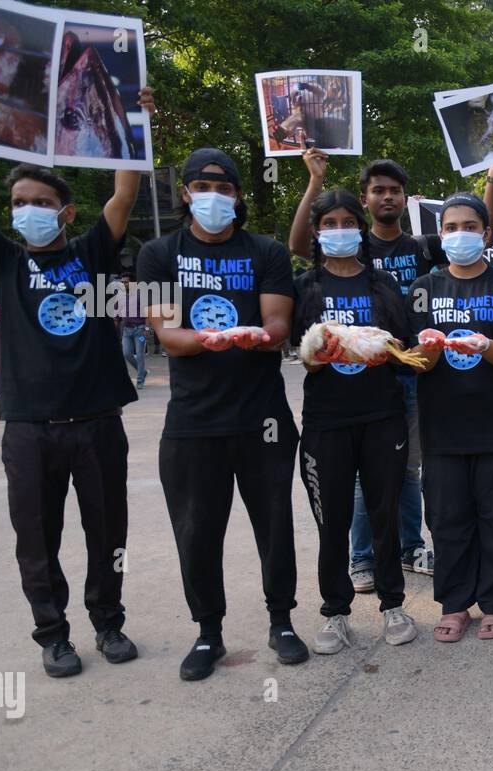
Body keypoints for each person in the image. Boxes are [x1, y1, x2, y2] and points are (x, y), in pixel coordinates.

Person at [0, 63, 151, 677]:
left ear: (67, 212)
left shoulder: (90, 252)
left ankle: (109, 624)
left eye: (42, 203)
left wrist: (135, 119)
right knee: (36, 539)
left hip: (98, 422)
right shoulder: (2, 259)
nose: (28, 212)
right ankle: (52, 635)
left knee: (110, 537)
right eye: (20, 204)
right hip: (28, 429)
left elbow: (125, 192)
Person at [288, 151, 493, 592]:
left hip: (411, 375)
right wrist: (314, 181)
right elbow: (300, 245)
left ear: (404, 197)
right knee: (356, 479)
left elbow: (480, 231)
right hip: (352, 387)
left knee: (404, 470)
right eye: (378, 190)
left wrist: (491, 179)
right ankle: (361, 556)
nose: (387, 197)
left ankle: (411, 547)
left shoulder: (420, 247)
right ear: (365, 199)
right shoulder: (344, 253)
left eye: (394, 191)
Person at [138, 148, 309, 681]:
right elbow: (166, 333)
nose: (214, 195)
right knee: (196, 531)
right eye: (202, 185)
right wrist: (207, 338)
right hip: (193, 421)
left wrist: (262, 336)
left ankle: (281, 621)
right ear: (186, 192)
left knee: (275, 524)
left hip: (264, 417)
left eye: (225, 186)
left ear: (237, 195)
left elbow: (277, 321)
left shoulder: (265, 251)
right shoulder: (158, 253)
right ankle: (208, 632)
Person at [291, 187, 420, 652]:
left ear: (359, 229)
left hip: (382, 417)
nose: (339, 231)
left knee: (384, 514)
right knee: (333, 519)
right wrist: (315, 356)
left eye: (348, 222)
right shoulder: (306, 286)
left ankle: (393, 605)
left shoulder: (381, 284)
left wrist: (406, 351)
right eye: (329, 224)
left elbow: (404, 349)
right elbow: (297, 350)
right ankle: (335, 612)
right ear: (318, 231)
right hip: (326, 422)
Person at [407, 193, 493, 641]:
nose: (460, 235)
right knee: (446, 517)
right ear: (440, 234)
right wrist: (427, 350)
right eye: (451, 227)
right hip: (442, 426)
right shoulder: (424, 287)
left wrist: (484, 345)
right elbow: (414, 361)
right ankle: (455, 603)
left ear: (487, 233)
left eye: (469, 227)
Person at [115, 271, 147, 389]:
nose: (123, 284)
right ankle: (142, 372)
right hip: (126, 331)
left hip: (140, 330)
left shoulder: (140, 295)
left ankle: (140, 380)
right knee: (126, 354)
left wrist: (147, 328)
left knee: (140, 354)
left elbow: (148, 313)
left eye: (126, 282)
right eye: (122, 282)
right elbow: (116, 314)